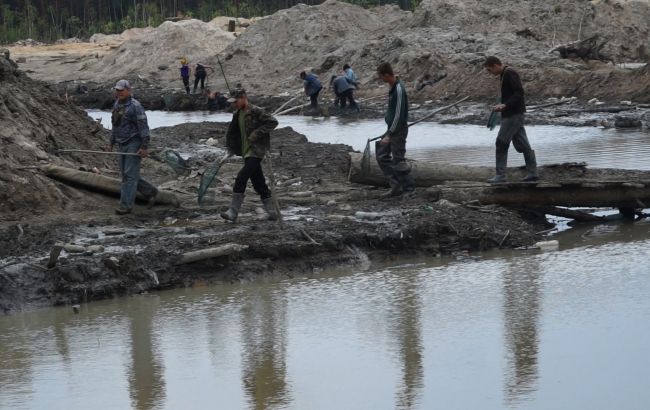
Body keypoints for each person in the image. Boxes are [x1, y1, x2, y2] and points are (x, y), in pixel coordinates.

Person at [221, 88, 280, 222]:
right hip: (246, 152)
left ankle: (233, 212)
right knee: (259, 183)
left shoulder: (256, 111)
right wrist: (231, 149)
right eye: (233, 102)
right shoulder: (237, 113)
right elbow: (233, 133)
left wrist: (256, 134)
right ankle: (272, 213)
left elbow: (273, 122)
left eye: (236, 101)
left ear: (243, 98)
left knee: (241, 178)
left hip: (256, 151)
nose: (234, 104)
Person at [484, 56, 539, 183]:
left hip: (513, 115)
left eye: (489, 70)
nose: (489, 73)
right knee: (524, 145)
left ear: (495, 65)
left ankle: (501, 175)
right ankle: (533, 173)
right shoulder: (504, 74)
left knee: (501, 143)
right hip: (513, 114)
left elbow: (519, 92)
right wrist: (503, 104)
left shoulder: (509, 73)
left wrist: (505, 105)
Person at [107, 80, 158, 215]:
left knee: (129, 175)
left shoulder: (136, 106)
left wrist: (144, 147)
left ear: (129, 91)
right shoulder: (117, 104)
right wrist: (111, 142)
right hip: (121, 142)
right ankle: (150, 191)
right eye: (117, 90)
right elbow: (115, 125)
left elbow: (144, 127)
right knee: (126, 174)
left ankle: (126, 206)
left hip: (134, 142)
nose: (119, 93)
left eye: (122, 90)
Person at [375, 62, 415, 198]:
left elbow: (398, 115)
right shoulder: (393, 87)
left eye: (382, 77)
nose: (381, 80)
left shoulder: (398, 89)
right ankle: (395, 185)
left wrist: (389, 134)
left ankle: (408, 189)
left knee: (398, 159)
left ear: (387, 75)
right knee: (381, 154)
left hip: (398, 130)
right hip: (392, 128)